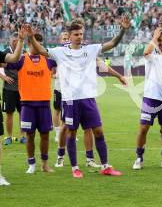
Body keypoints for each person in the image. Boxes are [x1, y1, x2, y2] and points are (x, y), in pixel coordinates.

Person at [28, 15, 130, 178]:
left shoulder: (90, 50)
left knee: (98, 131)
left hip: (88, 98)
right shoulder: (60, 52)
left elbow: (112, 44)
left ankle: (105, 166)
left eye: (81, 34)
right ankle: (75, 168)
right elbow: (41, 51)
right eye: (76, 34)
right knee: (72, 132)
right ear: (69, 35)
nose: (79, 37)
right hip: (70, 100)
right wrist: (31, 37)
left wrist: (123, 30)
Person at [54, 32, 128, 169]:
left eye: (81, 34)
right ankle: (60, 155)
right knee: (65, 127)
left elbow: (102, 65)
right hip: (64, 92)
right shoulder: (60, 52)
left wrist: (118, 75)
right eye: (64, 38)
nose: (66, 40)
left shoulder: (86, 51)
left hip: (85, 95)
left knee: (88, 127)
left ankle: (89, 159)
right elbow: (49, 67)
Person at [6, 29, 56, 174]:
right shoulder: (21, 60)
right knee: (30, 135)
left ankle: (45, 164)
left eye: (41, 45)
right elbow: (6, 63)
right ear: (30, 44)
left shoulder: (49, 60)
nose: (39, 47)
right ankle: (31, 164)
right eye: (36, 44)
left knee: (45, 135)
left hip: (44, 104)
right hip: (27, 105)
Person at [132, 27, 162, 170]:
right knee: (144, 128)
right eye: (159, 40)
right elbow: (145, 52)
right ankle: (139, 158)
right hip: (150, 98)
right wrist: (154, 37)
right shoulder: (151, 56)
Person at [0, 24, 26, 186]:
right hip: (9, 90)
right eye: (16, 39)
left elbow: (14, 59)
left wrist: (22, 41)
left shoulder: (4, 53)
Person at [1, 32, 25, 145]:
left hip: (22, 89)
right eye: (17, 41)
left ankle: (23, 136)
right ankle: (9, 137)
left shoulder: (23, 53)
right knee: (9, 113)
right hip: (9, 89)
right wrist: (3, 76)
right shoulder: (5, 52)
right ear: (13, 41)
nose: (19, 43)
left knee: (22, 112)